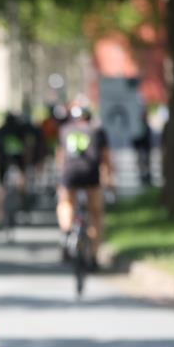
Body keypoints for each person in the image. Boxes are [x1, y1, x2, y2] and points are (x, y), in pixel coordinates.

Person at [56, 102, 114, 267]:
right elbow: (106, 158)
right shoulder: (97, 130)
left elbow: (61, 157)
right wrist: (109, 179)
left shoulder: (65, 130)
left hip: (70, 173)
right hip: (91, 174)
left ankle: (66, 231)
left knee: (65, 203)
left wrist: (61, 179)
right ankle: (94, 255)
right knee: (96, 214)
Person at [0, 113, 27, 228]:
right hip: (18, 160)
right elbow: (26, 147)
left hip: (2, 161)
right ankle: (22, 203)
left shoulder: (0, 130)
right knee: (22, 179)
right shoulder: (20, 129)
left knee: (1, 187)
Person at [132, 109, 152, 187]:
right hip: (141, 148)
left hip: (145, 148)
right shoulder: (139, 126)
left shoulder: (145, 126)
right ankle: (144, 178)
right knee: (142, 164)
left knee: (146, 164)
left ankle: (146, 178)